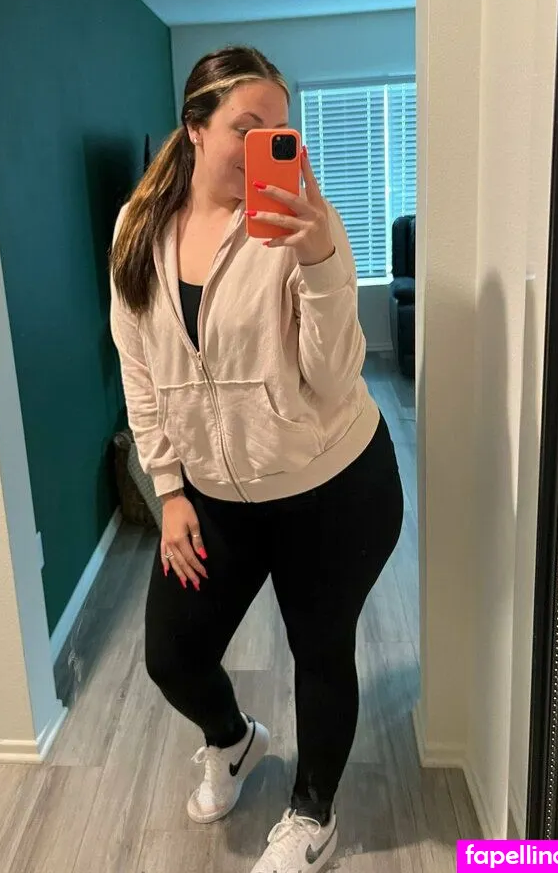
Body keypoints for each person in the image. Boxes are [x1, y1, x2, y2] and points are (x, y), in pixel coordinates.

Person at [109, 46, 404, 873]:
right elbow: (138, 367)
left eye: (281, 127)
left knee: (320, 648)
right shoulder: (138, 229)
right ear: (196, 129)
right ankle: (234, 740)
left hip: (332, 484)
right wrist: (168, 490)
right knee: (173, 654)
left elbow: (333, 378)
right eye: (249, 125)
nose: (271, 142)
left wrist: (319, 264)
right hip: (215, 494)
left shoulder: (307, 221)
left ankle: (313, 814)